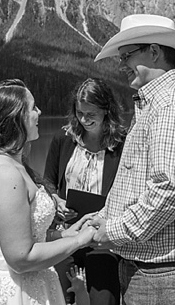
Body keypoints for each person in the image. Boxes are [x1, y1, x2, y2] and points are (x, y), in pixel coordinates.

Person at [88, 14, 175, 305]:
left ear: (154, 51)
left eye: (127, 55)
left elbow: (171, 189)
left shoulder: (171, 107)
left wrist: (112, 230)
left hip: (170, 277)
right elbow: (138, 181)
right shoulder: (158, 105)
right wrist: (104, 217)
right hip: (160, 274)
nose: (121, 64)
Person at [0, 79, 97, 305]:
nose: (40, 112)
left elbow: (25, 234)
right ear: (15, 118)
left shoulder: (8, 162)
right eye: (33, 107)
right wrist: (80, 242)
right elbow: (21, 258)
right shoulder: (4, 174)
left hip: (29, 287)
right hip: (17, 293)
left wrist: (66, 234)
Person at [44, 78, 126, 305]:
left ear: (107, 111)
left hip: (102, 239)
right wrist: (56, 201)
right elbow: (49, 182)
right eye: (80, 113)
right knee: (61, 298)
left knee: (103, 298)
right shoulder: (64, 138)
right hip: (66, 233)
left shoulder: (122, 144)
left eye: (92, 113)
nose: (84, 119)